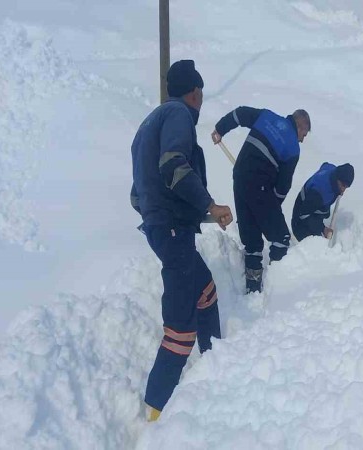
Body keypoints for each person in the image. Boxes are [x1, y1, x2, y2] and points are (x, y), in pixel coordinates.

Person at [130, 59, 233, 422]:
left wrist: (193, 215)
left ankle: (215, 359)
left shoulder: (148, 125)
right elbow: (174, 165)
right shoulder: (178, 116)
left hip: (166, 230)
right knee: (180, 324)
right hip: (172, 232)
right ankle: (156, 408)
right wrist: (209, 204)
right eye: (200, 93)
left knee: (205, 291)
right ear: (196, 92)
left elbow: (138, 195)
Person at [211, 107, 311, 293]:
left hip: (240, 178)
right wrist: (270, 209)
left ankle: (253, 287)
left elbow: (239, 114)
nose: (302, 139)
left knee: (252, 240)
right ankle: (278, 287)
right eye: (304, 134)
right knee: (281, 238)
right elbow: (283, 186)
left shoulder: (266, 116)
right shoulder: (292, 147)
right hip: (260, 186)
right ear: (299, 126)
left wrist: (220, 129)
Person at [291, 163, 354, 242]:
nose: (343, 190)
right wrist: (322, 228)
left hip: (313, 207)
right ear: (337, 178)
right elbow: (303, 215)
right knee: (315, 243)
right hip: (300, 220)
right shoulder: (319, 192)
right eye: (343, 185)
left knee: (324, 214)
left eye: (346, 187)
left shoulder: (333, 171)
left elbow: (325, 164)